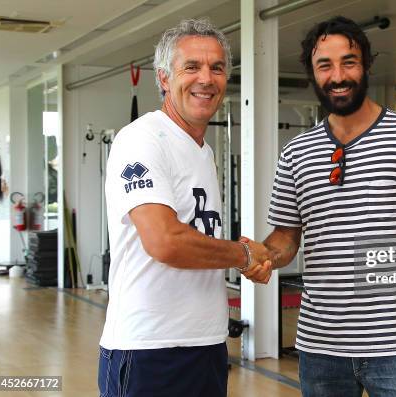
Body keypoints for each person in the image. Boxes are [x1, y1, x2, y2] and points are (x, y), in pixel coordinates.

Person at [251, 16, 396, 397]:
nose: (338, 75)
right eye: (325, 65)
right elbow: (286, 238)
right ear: (313, 74)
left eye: (348, 61)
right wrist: (261, 255)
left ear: (365, 65)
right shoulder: (296, 153)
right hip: (320, 347)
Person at [98, 18, 271, 397]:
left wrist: (247, 255)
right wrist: (242, 255)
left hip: (205, 343)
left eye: (217, 68)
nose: (206, 78)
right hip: (148, 350)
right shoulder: (142, 140)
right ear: (163, 78)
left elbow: (195, 234)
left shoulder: (203, 150)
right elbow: (166, 242)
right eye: (191, 67)